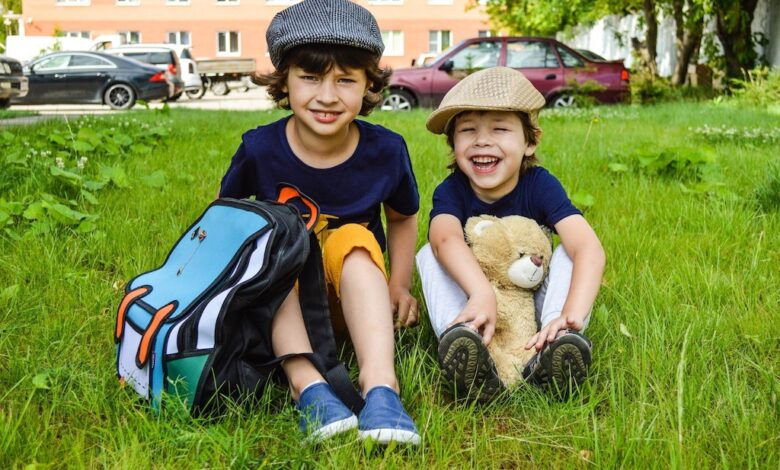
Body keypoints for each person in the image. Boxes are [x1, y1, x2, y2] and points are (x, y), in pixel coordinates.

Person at [219, 0, 421, 444]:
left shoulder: (386, 150)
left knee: (351, 236)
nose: (327, 96)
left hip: (356, 302)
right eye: (310, 77)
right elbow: (226, 225)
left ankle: (381, 388)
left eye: (345, 80)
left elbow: (402, 217)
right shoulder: (259, 148)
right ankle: (307, 385)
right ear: (284, 81)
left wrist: (399, 285)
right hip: (280, 307)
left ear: (368, 85)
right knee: (278, 244)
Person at [415, 67, 606, 399]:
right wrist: (480, 293)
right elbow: (443, 237)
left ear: (530, 142)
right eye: (468, 130)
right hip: (478, 302)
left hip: (532, 305)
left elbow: (589, 248)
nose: (482, 140)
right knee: (429, 253)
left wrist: (571, 314)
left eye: (500, 129)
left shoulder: (540, 185)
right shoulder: (452, 190)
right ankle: (463, 341)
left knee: (568, 253)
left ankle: (556, 343)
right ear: (453, 144)